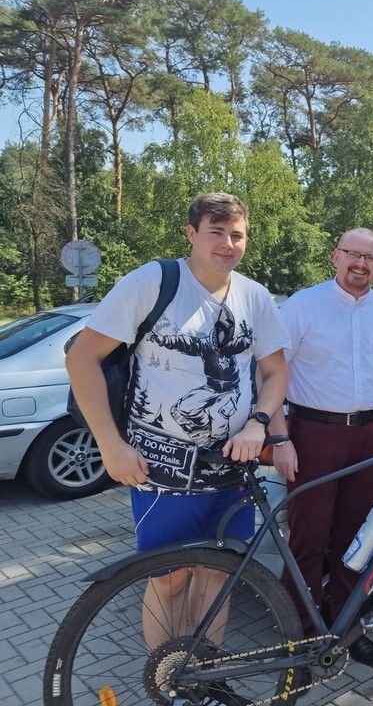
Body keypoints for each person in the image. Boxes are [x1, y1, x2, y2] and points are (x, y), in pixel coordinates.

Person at [65, 192, 290, 657]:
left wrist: (259, 424)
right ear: (191, 233)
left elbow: (275, 371)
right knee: (168, 579)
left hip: (233, 467)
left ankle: (203, 673)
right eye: (216, 233)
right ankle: (166, 676)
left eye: (237, 235)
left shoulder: (255, 296)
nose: (227, 244)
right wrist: (110, 445)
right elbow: (82, 359)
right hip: (161, 467)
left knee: (217, 577)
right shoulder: (153, 282)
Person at [275, 227, 373, 668]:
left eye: (370, 258)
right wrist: (279, 437)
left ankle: (345, 624)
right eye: (353, 254)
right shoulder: (302, 305)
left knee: (357, 537)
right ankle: (301, 635)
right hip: (312, 434)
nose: (361, 264)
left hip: (369, 434)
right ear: (335, 256)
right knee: (308, 537)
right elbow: (271, 373)